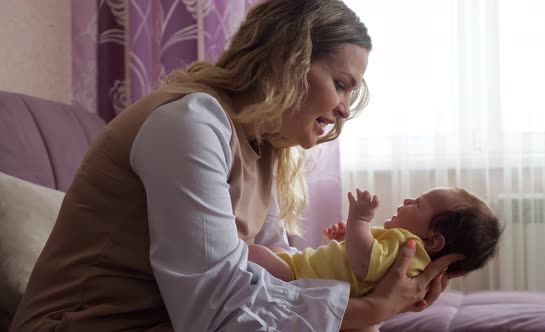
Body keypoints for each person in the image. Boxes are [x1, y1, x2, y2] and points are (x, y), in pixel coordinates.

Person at [10, 1, 462, 331]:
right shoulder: (191, 123)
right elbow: (215, 309)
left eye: (351, 92)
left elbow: (276, 270)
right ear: (289, 61)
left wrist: (382, 291)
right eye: (340, 84)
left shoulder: (263, 146)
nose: (345, 109)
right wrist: (368, 310)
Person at [249, 187, 502, 299]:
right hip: (306, 272)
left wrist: (359, 219)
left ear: (433, 240)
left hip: (301, 279)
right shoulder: (413, 262)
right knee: (277, 251)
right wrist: (349, 237)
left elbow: (364, 264)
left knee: (255, 253)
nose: (406, 201)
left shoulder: (408, 245)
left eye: (417, 203)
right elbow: (365, 262)